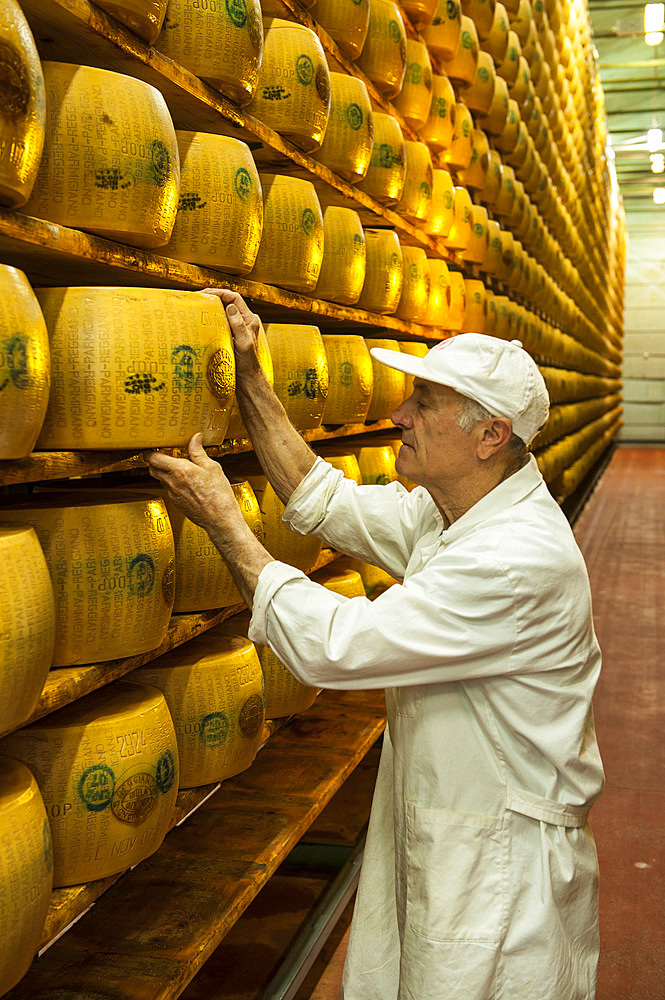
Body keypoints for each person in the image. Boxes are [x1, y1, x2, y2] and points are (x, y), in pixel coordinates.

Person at [146, 289, 604, 1000]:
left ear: (489, 435)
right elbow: (321, 498)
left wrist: (224, 522)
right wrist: (250, 377)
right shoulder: (451, 512)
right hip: (453, 825)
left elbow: (336, 646)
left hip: (502, 866)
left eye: (421, 404)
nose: (398, 416)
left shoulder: (513, 559)